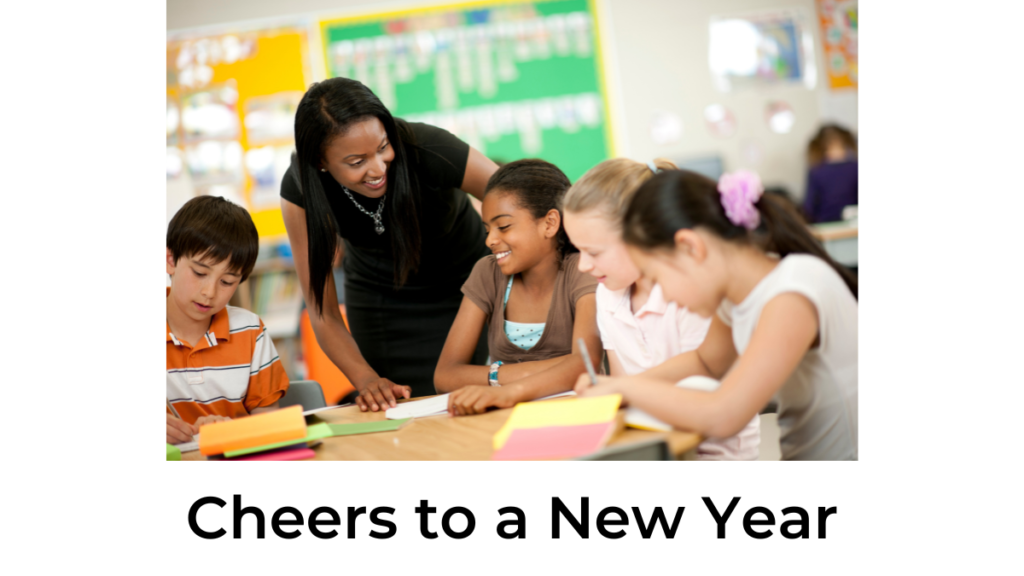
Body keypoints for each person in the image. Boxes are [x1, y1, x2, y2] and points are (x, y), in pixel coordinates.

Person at [576, 169, 858, 460]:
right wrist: (622, 386)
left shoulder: (792, 294)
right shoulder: (737, 299)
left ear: (690, 247)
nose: (666, 295)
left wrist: (626, 389)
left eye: (656, 276)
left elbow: (724, 415)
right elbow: (706, 362)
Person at [281, 77, 499, 411]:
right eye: (357, 162)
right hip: (379, 294)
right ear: (321, 162)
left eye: (382, 147)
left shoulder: (426, 147)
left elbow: (518, 199)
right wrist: (366, 379)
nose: (378, 168)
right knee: (400, 409)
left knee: (465, 402)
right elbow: (322, 311)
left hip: (466, 283)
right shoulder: (301, 190)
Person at [562, 158, 760, 460]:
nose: (583, 265)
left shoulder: (692, 290)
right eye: (578, 250)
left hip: (713, 452)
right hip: (650, 443)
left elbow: (704, 373)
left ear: (641, 234)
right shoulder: (608, 295)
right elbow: (621, 382)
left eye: (593, 252)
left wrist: (622, 390)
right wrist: (614, 393)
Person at [434, 159, 600, 416]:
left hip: (576, 415)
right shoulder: (487, 273)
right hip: (504, 417)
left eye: (504, 227)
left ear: (549, 223)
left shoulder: (582, 270)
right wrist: (557, 369)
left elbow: (584, 365)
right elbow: (445, 376)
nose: (490, 240)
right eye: (487, 229)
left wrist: (504, 387)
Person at [166, 196, 289, 444]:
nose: (209, 292)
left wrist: (229, 430)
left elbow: (269, 425)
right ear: (170, 261)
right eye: (200, 273)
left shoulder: (251, 332)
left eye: (227, 282)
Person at [803, 123, 858, 223]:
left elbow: (809, 207)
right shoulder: (855, 167)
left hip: (827, 223)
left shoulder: (816, 170)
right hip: (849, 223)